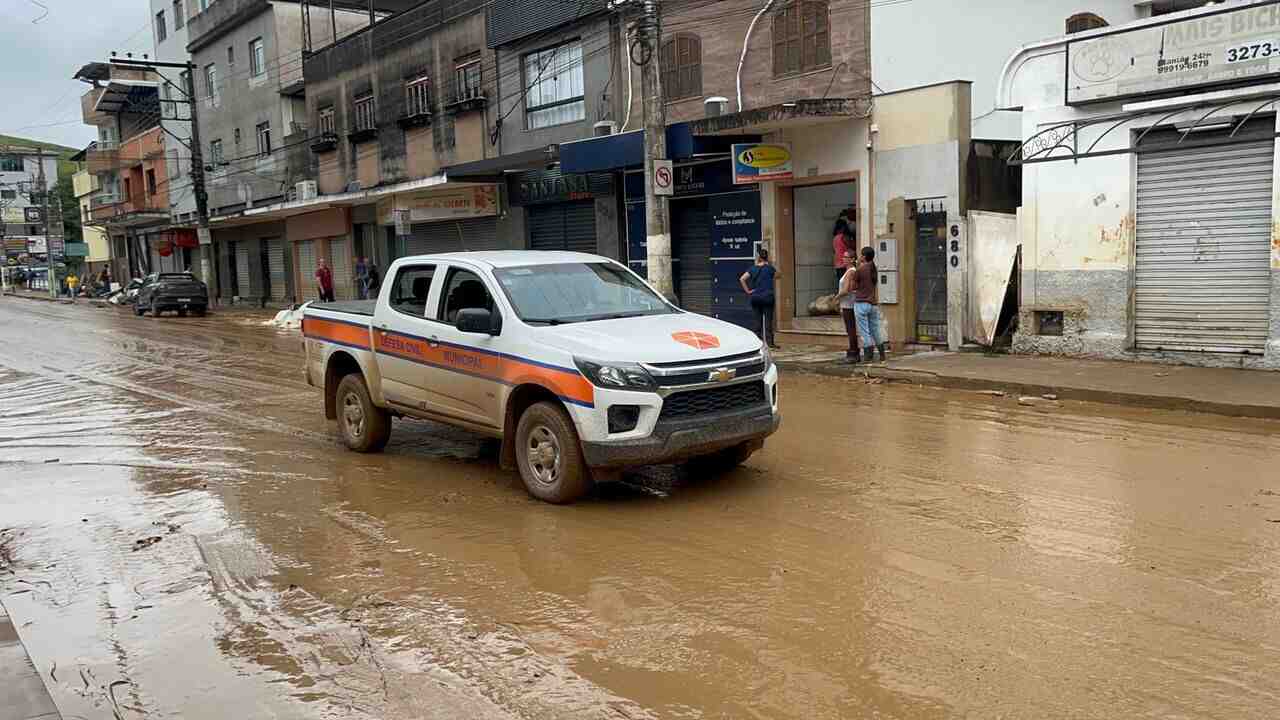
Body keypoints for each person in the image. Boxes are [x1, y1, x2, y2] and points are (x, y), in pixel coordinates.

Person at [739, 247, 780, 349]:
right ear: (767, 257)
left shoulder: (752, 268)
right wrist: (771, 265)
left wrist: (748, 291)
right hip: (768, 297)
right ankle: (770, 343)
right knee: (768, 321)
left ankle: (758, 344)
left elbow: (742, 279)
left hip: (756, 297)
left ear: (758, 257)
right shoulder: (770, 268)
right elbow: (779, 276)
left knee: (758, 322)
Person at [851, 246, 886, 362]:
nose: (859, 257)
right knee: (875, 329)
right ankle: (882, 354)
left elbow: (853, 286)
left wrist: (856, 266)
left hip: (861, 303)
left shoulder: (860, 269)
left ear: (864, 257)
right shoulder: (873, 268)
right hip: (873, 304)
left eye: (861, 255)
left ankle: (868, 356)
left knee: (864, 331)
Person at [836, 249, 861, 363]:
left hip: (848, 304)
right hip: (848, 303)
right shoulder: (850, 271)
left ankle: (853, 353)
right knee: (850, 329)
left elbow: (846, 290)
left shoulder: (851, 271)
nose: (843, 259)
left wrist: (836, 298)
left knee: (850, 329)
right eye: (843, 257)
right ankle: (853, 351)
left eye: (846, 257)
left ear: (852, 259)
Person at [832, 217, 855, 290]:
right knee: (846, 285)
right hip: (844, 264)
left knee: (840, 284)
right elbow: (852, 245)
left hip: (837, 264)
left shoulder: (835, 238)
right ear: (843, 227)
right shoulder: (844, 237)